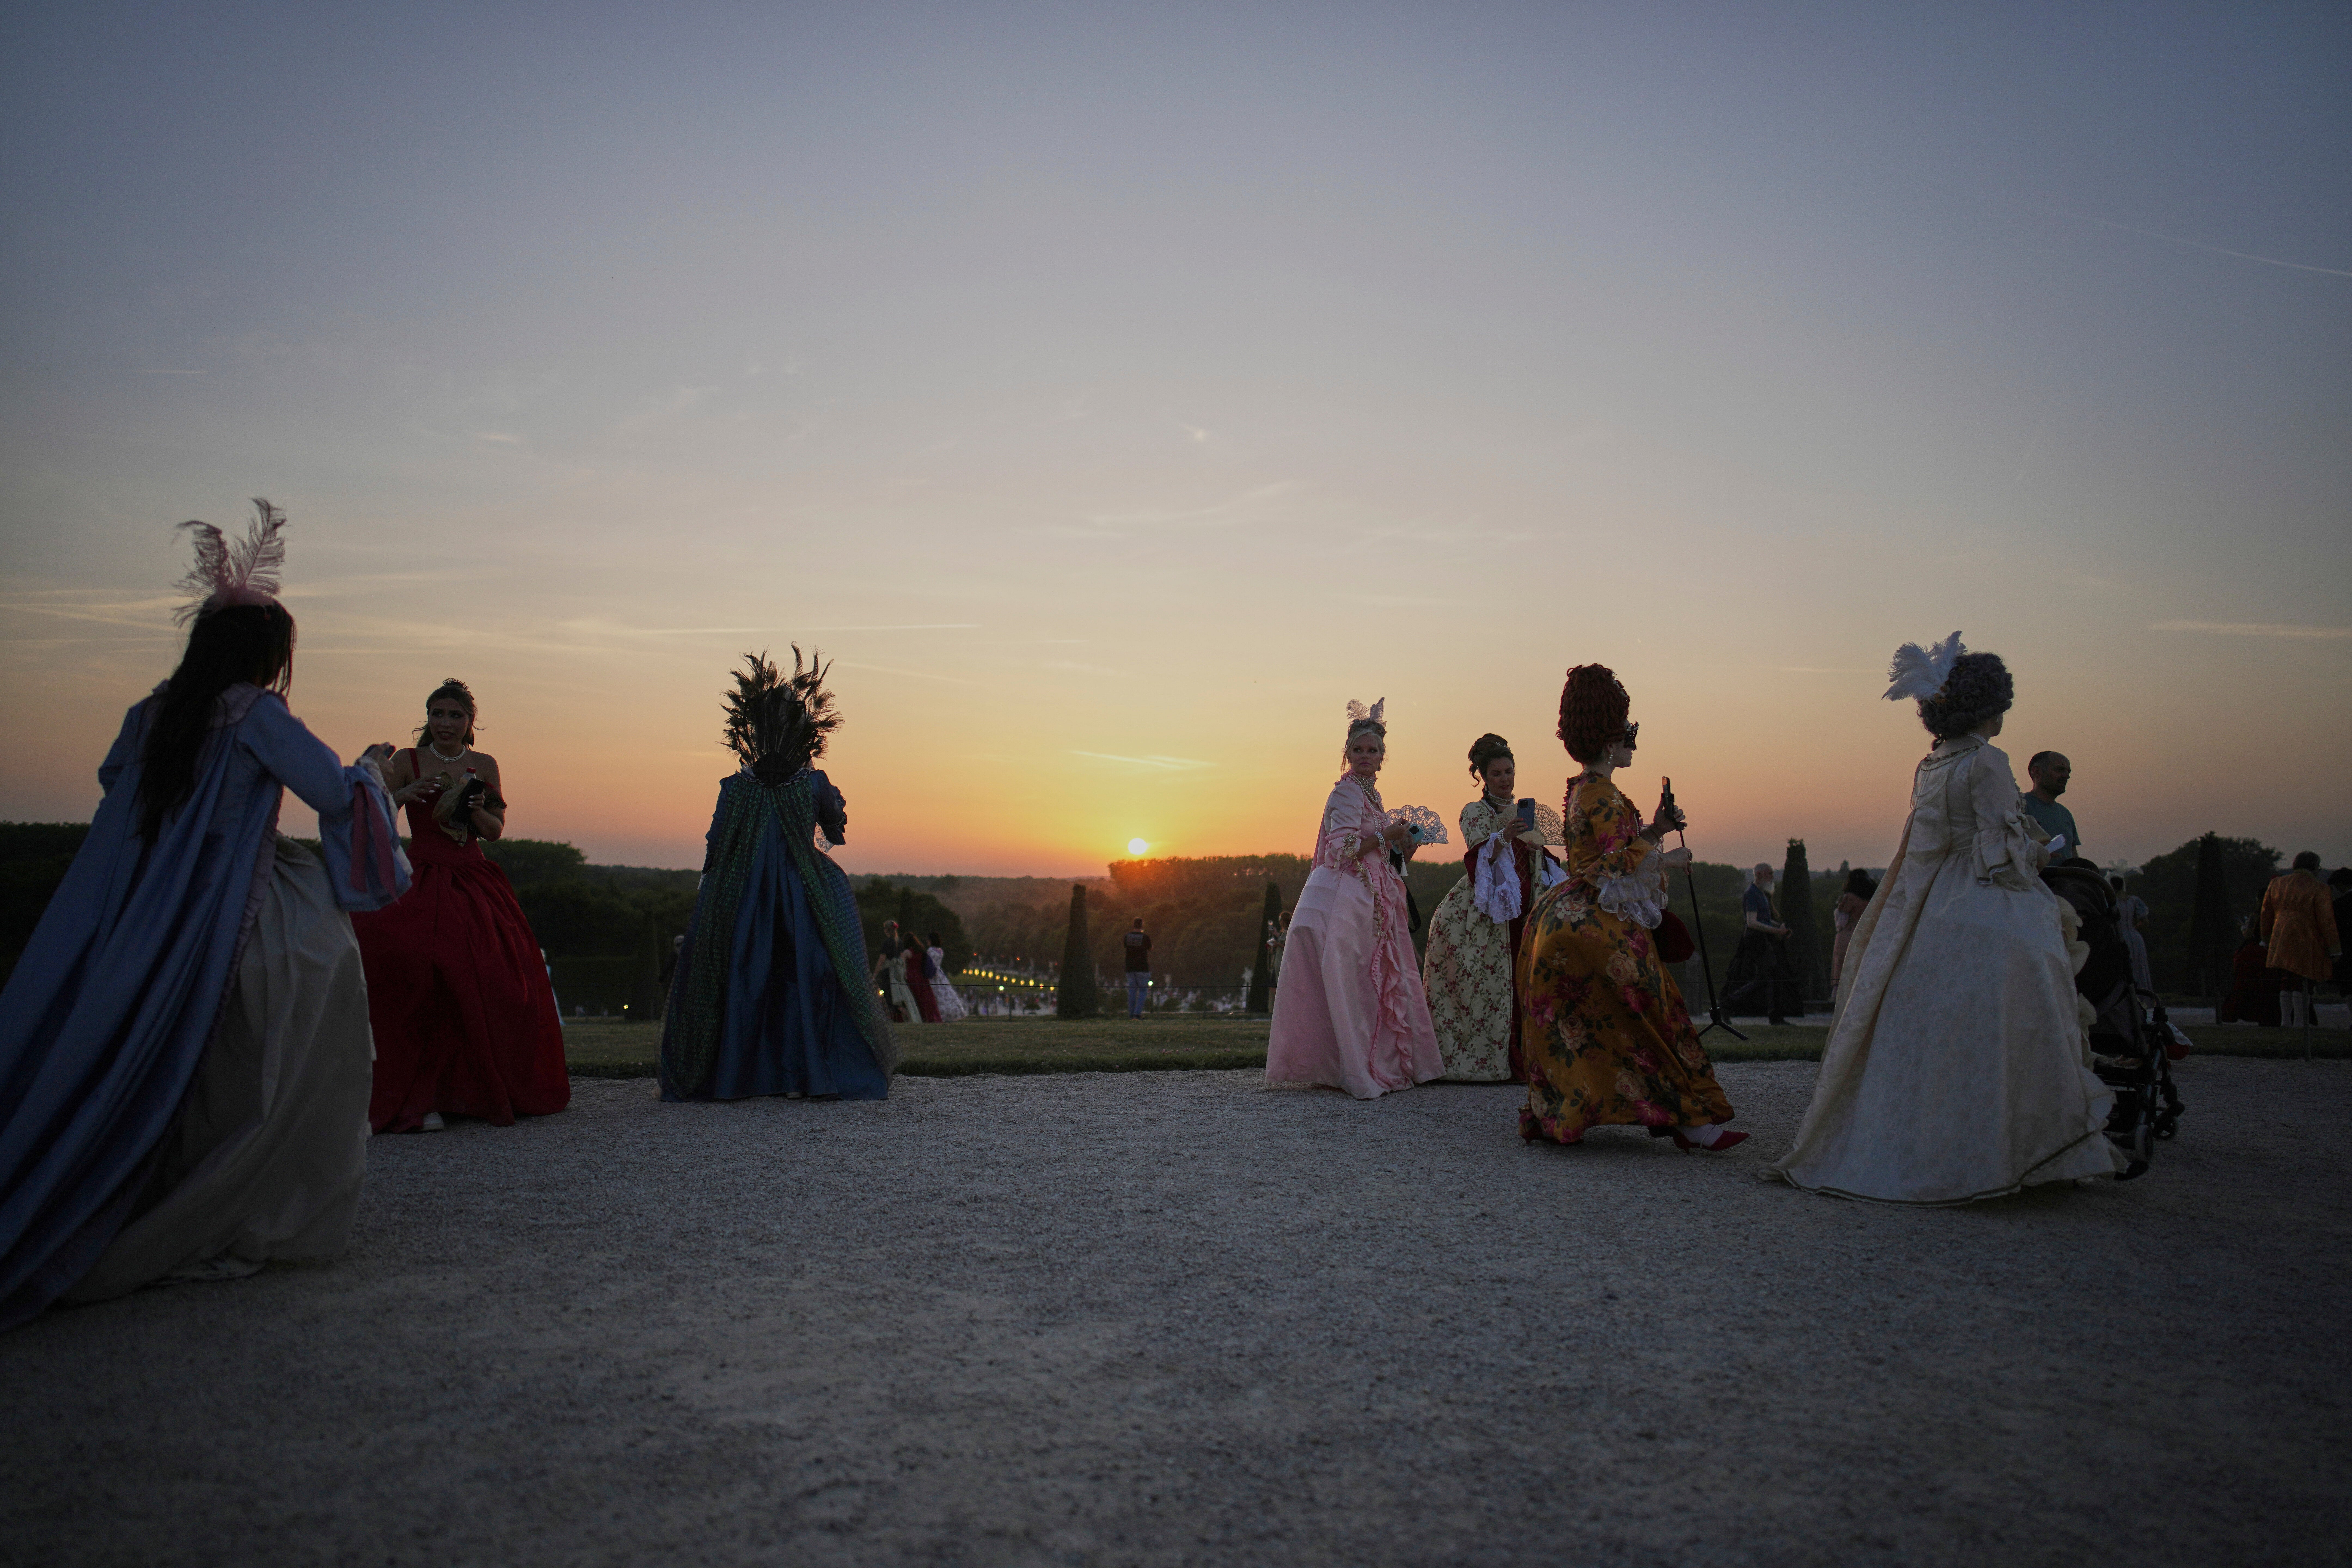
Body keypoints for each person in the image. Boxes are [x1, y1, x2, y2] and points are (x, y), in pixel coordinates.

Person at [0, 503, 408, 1329]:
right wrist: (373, 770)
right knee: (306, 1002)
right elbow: (331, 792)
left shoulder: (152, 714)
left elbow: (119, 790)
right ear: (262, 656)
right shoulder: (256, 715)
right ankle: (229, 1199)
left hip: (138, 906)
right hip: (228, 904)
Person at [1769, 632, 2124, 1203]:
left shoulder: (1932, 763)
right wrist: (2041, 854)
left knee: (1922, 1028)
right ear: (1988, 706)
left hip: (1927, 905)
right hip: (1982, 899)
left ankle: (1917, 1143)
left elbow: (1922, 846)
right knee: (2029, 987)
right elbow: (2000, 851)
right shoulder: (1987, 761)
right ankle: (2012, 1148)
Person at [1517, 666, 1743, 1150]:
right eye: (1628, 735)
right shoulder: (1600, 793)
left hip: (1565, 917)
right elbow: (1611, 866)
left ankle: (1571, 1109)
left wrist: (1656, 832)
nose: (1634, 746)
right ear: (1608, 742)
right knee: (1649, 1010)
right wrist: (1664, 850)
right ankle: (1687, 1117)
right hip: (1594, 923)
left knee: (1594, 1020)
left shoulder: (1585, 788)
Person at [660, 650, 895, 1101]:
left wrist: (711, 895)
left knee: (741, 977)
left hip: (742, 894)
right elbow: (835, 832)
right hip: (801, 893)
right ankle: (805, 1072)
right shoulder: (812, 784)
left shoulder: (735, 788)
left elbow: (715, 847)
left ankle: (740, 1075)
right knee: (809, 978)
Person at [353, 678, 570, 1133]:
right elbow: (375, 815)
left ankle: (474, 1089)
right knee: (415, 971)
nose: (446, 723)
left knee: (494, 977)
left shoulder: (484, 764)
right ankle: (422, 1091)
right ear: (427, 718)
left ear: (471, 722)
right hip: (420, 874)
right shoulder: (406, 761)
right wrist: (399, 797)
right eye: (438, 714)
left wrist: (470, 807)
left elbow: (494, 832)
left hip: (473, 878)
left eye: (456, 715)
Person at [1265, 699, 1444, 1098]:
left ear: (1383, 758)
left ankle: (1377, 1059)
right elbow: (1345, 849)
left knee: (1372, 978)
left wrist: (1403, 845)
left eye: (1373, 751)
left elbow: (1377, 850)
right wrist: (1390, 836)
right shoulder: (1347, 794)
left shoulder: (1372, 796)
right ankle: (1355, 1063)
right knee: (1356, 977)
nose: (1365, 757)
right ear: (1347, 754)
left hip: (1372, 892)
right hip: (1347, 894)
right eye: (1358, 750)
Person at [1421, 733, 1564, 1082]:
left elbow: (1543, 860)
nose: (1505, 779)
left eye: (1509, 772)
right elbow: (1478, 855)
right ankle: (1486, 1061)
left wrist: (1537, 853)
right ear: (1483, 777)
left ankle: (1529, 1056)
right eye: (1497, 773)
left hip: (1526, 908)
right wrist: (1508, 838)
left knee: (1526, 979)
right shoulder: (1475, 811)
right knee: (1487, 983)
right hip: (1487, 910)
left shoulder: (1521, 813)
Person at [2259, 852, 2342, 1030]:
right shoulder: (2319, 888)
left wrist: (2266, 939)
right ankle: (2299, 1023)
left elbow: (2266, 914)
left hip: (2280, 937)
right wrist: (2335, 948)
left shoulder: (2277, 884)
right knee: (2303, 983)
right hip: (2307, 939)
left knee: (2286, 981)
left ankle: (2285, 1022)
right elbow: (2327, 921)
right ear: (2314, 866)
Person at [1721, 863, 1799, 1024]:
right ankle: (1773, 1016)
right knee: (1772, 976)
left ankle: (1729, 1003)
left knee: (1767, 978)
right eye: (1769, 874)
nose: (1772, 876)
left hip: (1760, 938)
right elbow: (1752, 923)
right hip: (1756, 939)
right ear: (1758, 875)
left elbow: (1764, 920)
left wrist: (1780, 927)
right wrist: (1777, 932)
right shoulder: (1752, 894)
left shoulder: (1761, 894)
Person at [2020, 751, 2081, 862]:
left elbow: (2073, 856)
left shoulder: (2065, 814)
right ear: (2037, 772)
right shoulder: (2020, 806)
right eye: (2060, 770)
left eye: (2068, 772)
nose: (2067, 776)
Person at [1829, 867, 1877, 1003]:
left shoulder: (1849, 898)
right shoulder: (1873, 897)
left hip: (1849, 934)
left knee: (1843, 967)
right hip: (1867, 934)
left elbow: (1841, 922)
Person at [2109, 875, 2155, 995]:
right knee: (2139, 967)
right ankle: (2143, 996)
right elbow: (2145, 921)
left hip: (2119, 938)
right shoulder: (2134, 900)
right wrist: (2134, 924)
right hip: (2136, 938)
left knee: (2125, 968)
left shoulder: (2111, 902)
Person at [926, 932, 969, 1021]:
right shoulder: (941, 951)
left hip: (933, 973)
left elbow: (929, 964)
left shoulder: (930, 951)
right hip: (940, 973)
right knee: (945, 993)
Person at [1123, 918, 1153, 1018]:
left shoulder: (1127, 937)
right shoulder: (1145, 937)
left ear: (1133, 926)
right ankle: (1137, 1014)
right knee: (1143, 992)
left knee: (1132, 992)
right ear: (1142, 926)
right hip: (1142, 968)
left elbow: (1126, 947)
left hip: (1130, 968)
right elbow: (1151, 949)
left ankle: (1131, 1014)